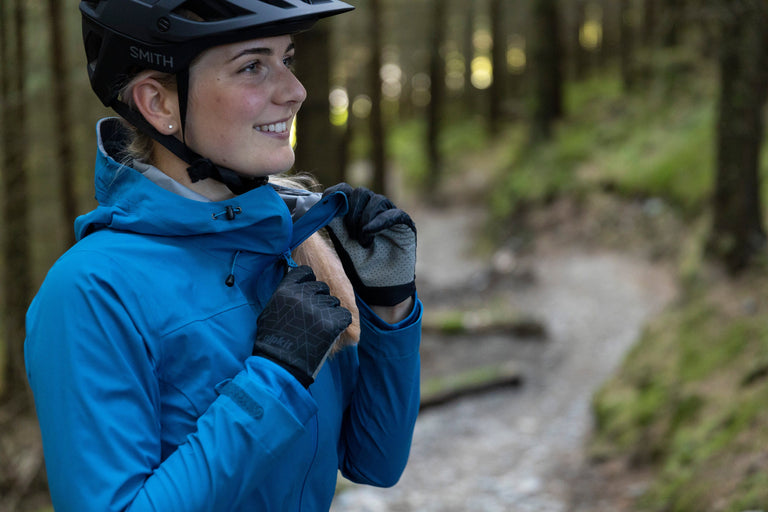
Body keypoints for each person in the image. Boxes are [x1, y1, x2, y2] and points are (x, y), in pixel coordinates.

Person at [24, 1, 422, 510]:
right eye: (253, 66)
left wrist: (390, 305)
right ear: (159, 103)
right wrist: (275, 377)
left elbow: (376, 461)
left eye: (288, 59)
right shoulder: (90, 292)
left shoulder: (289, 247)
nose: (295, 91)